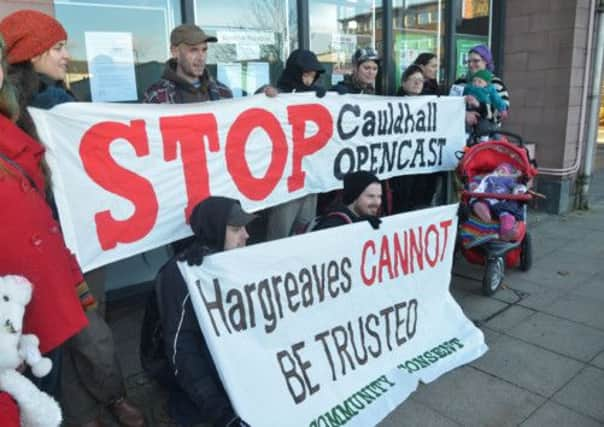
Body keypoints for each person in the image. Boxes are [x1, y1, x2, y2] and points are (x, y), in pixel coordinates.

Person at [0, 10, 145, 427]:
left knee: (88, 334)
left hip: (78, 237)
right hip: (36, 256)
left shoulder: (62, 103)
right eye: (59, 47)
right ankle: (85, 414)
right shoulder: (28, 113)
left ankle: (106, 401)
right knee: (54, 345)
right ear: (31, 52)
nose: (67, 56)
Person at [0, 31, 88, 400]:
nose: (66, 56)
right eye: (56, 47)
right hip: (11, 327)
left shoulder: (12, 127)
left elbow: (39, 218)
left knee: (45, 395)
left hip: (39, 307)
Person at [153, 197, 255, 427]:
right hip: (194, 385)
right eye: (236, 229)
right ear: (214, 230)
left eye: (245, 227)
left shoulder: (236, 261)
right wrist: (218, 410)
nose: (246, 235)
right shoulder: (181, 274)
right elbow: (181, 348)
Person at [265, 49, 326, 240]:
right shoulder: (278, 94)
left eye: (312, 75)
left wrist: (338, 96)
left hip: (310, 178)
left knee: (305, 230)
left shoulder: (318, 95)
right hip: (285, 181)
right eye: (305, 74)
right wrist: (267, 94)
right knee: (280, 233)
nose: (308, 80)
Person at [143, 24, 232, 104]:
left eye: (204, 50)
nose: (201, 58)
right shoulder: (157, 97)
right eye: (194, 50)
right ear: (175, 51)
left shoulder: (223, 92)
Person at [391, 65, 439, 213]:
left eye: (421, 80)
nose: (418, 83)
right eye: (414, 80)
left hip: (421, 161)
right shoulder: (391, 103)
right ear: (404, 82)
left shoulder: (430, 103)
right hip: (401, 164)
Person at [454, 44, 510, 130]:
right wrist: (464, 114)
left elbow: (501, 111)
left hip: (488, 133)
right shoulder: (460, 81)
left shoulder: (495, 82)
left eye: (476, 61)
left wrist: (479, 107)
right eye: (468, 61)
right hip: (460, 133)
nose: (471, 64)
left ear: (486, 61)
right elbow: (450, 105)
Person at [470, 162, 526, 240]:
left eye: (504, 170)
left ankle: (506, 232)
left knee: (506, 214)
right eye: (498, 169)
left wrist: (519, 190)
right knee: (481, 203)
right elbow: (481, 185)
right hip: (487, 198)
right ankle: (484, 213)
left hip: (502, 202)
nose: (500, 171)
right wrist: (475, 188)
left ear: (509, 173)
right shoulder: (488, 177)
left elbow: (517, 186)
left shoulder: (509, 180)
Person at [314, 171, 382, 230]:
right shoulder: (333, 225)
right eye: (370, 196)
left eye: (379, 196)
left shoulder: (365, 219)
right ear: (354, 197)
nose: (377, 202)